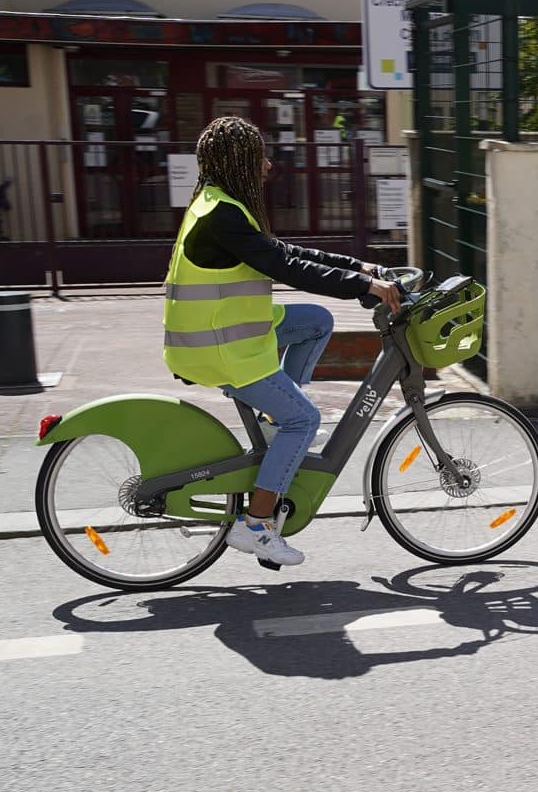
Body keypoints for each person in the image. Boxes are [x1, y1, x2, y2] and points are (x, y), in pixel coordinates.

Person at [162, 116, 401, 566]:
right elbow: (286, 268)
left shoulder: (221, 204)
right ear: (239, 164)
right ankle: (255, 525)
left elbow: (283, 252)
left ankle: (275, 423)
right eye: (259, 158)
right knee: (304, 421)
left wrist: (358, 268)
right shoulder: (222, 215)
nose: (269, 165)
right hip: (219, 348)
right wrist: (363, 288)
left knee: (315, 321)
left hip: (228, 332)